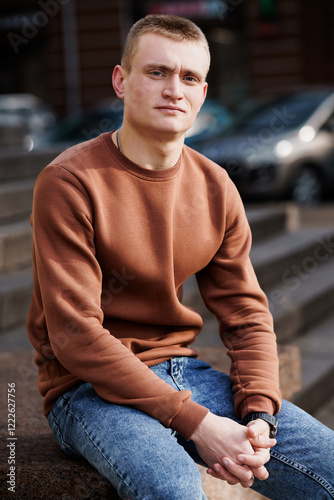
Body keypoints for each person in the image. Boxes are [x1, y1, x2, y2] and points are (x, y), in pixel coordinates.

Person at [27, 14, 334, 500]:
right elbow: (75, 335)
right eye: (157, 72)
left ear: (204, 94)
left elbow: (246, 312)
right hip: (87, 390)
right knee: (173, 490)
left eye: (189, 77)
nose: (175, 89)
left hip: (184, 372)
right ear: (121, 80)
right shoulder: (69, 182)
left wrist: (257, 414)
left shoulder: (215, 186)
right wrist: (198, 424)